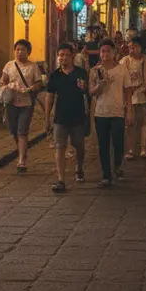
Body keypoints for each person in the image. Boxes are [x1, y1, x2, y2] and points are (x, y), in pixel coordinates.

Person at [89, 38, 132, 186]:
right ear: (99, 53)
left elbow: (127, 90)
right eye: (102, 51)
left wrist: (129, 110)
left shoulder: (121, 69)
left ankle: (117, 164)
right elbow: (91, 91)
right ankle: (106, 174)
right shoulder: (95, 71)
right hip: (101, 112)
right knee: (103, 144)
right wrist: (99, 86)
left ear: (114, 52)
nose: (105, 54)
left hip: (118, 111)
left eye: (108, 51)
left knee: (118, 142)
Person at [49, 42, 90, 191]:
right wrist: (47, 116)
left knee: (79, 144)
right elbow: (50, 96)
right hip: (60, 116)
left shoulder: (81, 73)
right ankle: (61, 179)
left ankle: (79, 167)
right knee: (59, 146)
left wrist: (84, 90)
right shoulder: (55, 76)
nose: (63, 58)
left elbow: (87, 93)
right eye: (61, 55)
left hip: (78, 115)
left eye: (66, 55)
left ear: (73, 56)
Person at [0, 39, 42, 174]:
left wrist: (30, 89)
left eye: (23, 49)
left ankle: (21, 160)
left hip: (26, 103)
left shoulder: (33, 67)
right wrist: (7, 87)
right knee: (13, 130)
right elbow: (2, 81)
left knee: (22, 131)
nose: (20, 52)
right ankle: (22, 150)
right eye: (17, 49)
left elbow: (39, 84)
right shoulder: (9, 65)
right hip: (11, 102)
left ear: (28, 52)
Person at [123, 36, 146, 160]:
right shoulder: (125, 60)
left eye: (133, 47)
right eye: (129, 47)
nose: (131, 50)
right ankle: (130, 149)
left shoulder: (144, 60)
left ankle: (144, 149)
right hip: (129, 95)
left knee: (144, 123)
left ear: (140, 48)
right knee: (131, 123)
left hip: (141, 94)